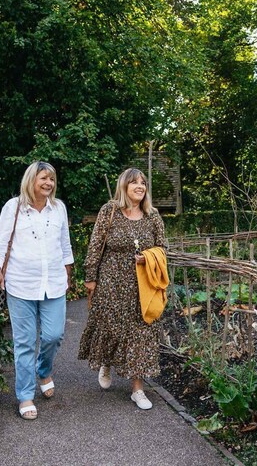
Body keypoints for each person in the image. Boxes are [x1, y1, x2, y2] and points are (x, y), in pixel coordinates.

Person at [0, 161, 74, 420]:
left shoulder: (58, 208)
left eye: (51, 179)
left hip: (54, 282)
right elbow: (1, 241)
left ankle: (44, 369)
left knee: (53, 335)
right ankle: (25, 395)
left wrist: (69, 273)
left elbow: (65, 244)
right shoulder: (13, 207)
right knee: (24, 342)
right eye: (43, 178)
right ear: (31, 180)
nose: (48, 183)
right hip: (21, 284)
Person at [78, 168, 166, 410]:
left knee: (141, 334)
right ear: (123, 186)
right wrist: (90, 277)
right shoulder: (110, 211)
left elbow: (163, 249)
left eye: (143, 183)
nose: (140, 186)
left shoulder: (152, 215)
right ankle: (107, 362)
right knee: (111, 327)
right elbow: (96, 246)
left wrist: (148, 257)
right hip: (111, 283)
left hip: (143, 286)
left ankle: (137, 389)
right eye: (134, 182)